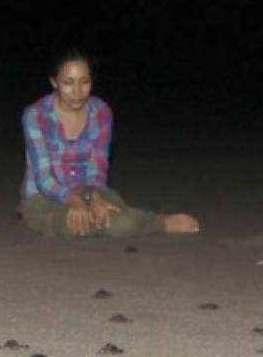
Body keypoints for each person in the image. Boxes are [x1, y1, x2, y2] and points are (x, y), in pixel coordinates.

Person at [20, 49, 200, 237]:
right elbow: (44, 179)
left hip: (87, 189)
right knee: (74, 227)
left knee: (118, 224)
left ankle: (159, 221)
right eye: (68, 83)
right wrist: (72, 199)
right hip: (43, 197)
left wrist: (96, 196)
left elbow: (97, 168)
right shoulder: (36, 115)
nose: (77, 92)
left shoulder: (101, 112)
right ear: (54, 82)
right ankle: (149, 222)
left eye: (84, 82)